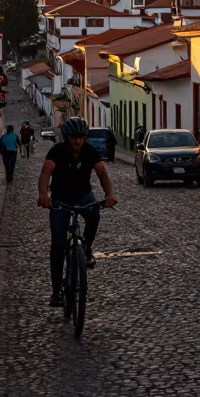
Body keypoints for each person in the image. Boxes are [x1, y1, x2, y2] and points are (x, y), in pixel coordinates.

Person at [37, 116, 117, 307]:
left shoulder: (89, 151)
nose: (78, 141)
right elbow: (45, 173)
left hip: (83, 195)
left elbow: (102, 173)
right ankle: (56, 291)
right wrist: (43, 195)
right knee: (57, 245)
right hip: (60, 199)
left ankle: (86, 250)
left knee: (94, 214)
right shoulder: (56, 151)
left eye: (81, 136)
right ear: (66, 137)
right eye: (73, 137)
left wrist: (109, 195)